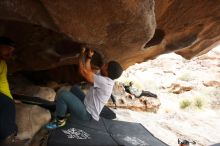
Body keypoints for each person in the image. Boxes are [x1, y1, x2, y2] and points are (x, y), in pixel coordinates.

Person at [46, 47, 123, 129]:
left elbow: (83, 71)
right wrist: (89, 57)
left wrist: (81, 53)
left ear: (107, 72)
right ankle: (69, 108)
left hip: (88, 115)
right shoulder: (106, 77)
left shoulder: (105, 83)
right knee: (74, 88)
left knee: (63, 95)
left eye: (106, 65)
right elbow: (88, 70)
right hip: (86, 103)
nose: (103, 65)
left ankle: (59, 121)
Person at [0, 37, 27, 146]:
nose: (10, 53)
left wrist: (10, 97)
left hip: (3, 95)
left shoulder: (3, 64)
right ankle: (8, 140)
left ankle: (8, 137)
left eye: (12, 51)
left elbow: (4, 83)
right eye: (7, 49)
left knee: (11, 122)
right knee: (7, 105)